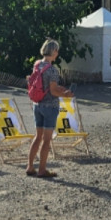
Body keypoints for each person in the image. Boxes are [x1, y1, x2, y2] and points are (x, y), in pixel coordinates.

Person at [24, 39, 74, 179]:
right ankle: (42, 170)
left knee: (37, 136)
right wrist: (65, 95)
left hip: (37, 104)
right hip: (49, 107)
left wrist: (59, 89)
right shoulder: (52, 70)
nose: (57, 53)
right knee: (46, 140)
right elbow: (52, 91)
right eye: (57, 50)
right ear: (53, 51)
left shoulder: (37, 65)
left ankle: (30, 166)